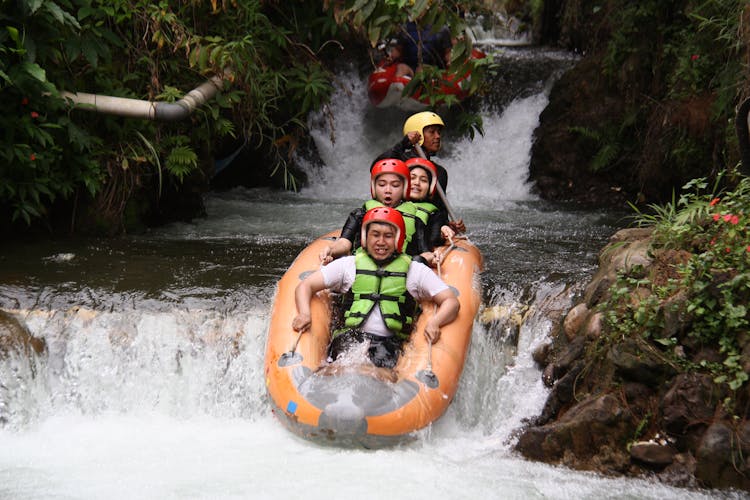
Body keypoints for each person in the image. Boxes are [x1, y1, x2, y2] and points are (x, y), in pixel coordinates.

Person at [292, 206, 460, 369]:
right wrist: (305, 313)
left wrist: (435, 323)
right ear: (365, 237)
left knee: (378, 375)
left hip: (389, 344)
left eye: (388, 236)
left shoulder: (414, 271)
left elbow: (450, 302)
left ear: (398, 239)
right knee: (334, 370)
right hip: (349, 338)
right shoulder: (348, 265)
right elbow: (305, 286)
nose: (381, 242)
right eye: (375, 235)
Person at [320, 158, 431, 264]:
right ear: (374, 187)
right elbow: (344, 243)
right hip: (363, 269)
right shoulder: (359, 215)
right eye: (382, 185)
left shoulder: (416, 220)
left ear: (405, 188)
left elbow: (424, 252)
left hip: (400, 274)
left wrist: (433, 257)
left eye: (395, 185)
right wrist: (331, 250)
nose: (388, 190)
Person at [372, 111, 466, 233]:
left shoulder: (440, 172)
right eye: (432, 132)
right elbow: (376, 167)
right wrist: (403, 143)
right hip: (394, 221)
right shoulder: (399, 160)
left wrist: (448, 225)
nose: (437, 136)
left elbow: (440, 209)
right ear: (418, 134)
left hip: (423, 227)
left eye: (438, 132)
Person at [406, 157, 454, 249]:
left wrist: (443, 230)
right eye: (412, 178)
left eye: (423, 180)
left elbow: (434, 239)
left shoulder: (435, 214)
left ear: (430, 187)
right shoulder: (391, 206)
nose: (417, 183)